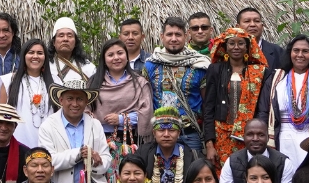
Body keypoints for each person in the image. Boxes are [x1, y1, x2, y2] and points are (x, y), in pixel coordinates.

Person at [257, 36, 309, 183]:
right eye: (296, 50)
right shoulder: (276, 78)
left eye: (305, 51)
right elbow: (263, 112)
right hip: (282, 136)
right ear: (289, 53)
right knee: (284, 177)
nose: (300, 55)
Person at [202, 26, 269, 165]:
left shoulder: (258, 72)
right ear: (225, 47)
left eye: (241, 43)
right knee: (224, 176)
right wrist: (209, 145)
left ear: (247, 47)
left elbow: (263, 107)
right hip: (221, 134)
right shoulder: (215, 70)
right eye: (232, 43)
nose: (236, 47)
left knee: (249, 171)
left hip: (250, 135)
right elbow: (208, 108)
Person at [38, 84, 113, 183]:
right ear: (61, 100)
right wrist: (78, 154)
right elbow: (47, 161)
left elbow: (106, 159)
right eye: (70, 99)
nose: (75, 104)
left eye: (80, 99)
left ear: (86, 101)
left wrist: (93, 161)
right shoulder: (48, 126)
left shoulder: (95, 124)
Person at [143, 16, 208, 156]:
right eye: (169, 34)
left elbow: (207, 106)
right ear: (162, 36)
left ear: (186, 36)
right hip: (160, 134)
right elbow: (143, 102)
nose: (174, 39)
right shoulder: (150, 65)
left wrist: (209, 141)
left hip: (190, 134)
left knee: (193, 174)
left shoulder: (199, 65)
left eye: (178, 35)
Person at [93, 40, 151, 150]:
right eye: (110, 55)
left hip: (131, 139)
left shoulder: (140, 82)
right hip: (99, 139)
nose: (116, 58)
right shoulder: (93, 83)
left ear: (127, 56)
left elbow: (146, 112)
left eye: (120, 53)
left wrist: (121, 119)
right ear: (104, 60)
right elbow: (86, 110)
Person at [0, 39, 57, 147]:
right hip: (17, 143)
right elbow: (1, 116)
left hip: (49, 143)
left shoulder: (56, 82)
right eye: (31, 52)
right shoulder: (8, 81)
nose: (35, 56)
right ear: (24, 56)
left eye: (40, 53)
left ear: (45, 57)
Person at [140, 108, 204, 183]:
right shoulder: (143, 153)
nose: (166, 134)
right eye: (161, 130)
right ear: (154, 133)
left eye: (171, 130)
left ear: (178, 133)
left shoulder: (194, 156)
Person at [219, 118, 286, 183]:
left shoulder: (283, 162)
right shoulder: (231, 162)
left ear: (268, 138)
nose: (255, 139)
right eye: (250, 134)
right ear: (243, 137)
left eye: (261, 135)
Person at [47, 17, 94, 90]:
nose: (65, 39)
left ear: (75, 42)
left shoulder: (88, 67)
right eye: (61, 35)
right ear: (53, 42)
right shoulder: (46, 65)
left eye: (69, 36)